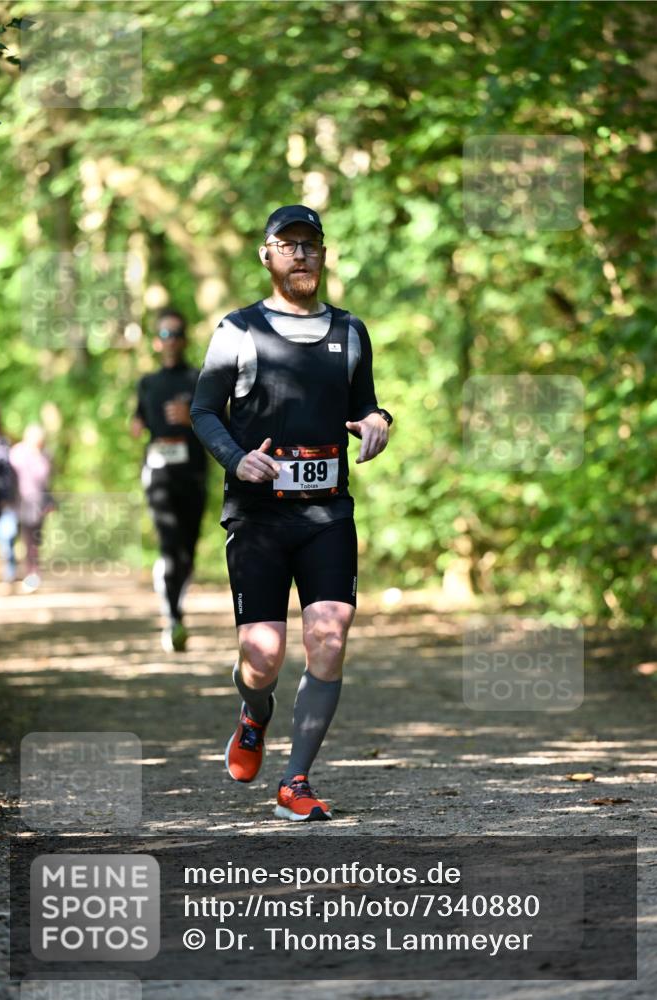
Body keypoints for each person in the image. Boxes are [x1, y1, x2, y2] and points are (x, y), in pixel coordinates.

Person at [191, 204, 392, 821]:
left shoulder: (350, 332)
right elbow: (204, 411)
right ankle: (254, 714)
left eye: (310, 244)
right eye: (288, 244)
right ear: (267, 255)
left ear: (323, 254)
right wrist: (235, 458)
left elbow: (368, 406)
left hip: (327, 514)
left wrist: (380, 423)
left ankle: (296, 780)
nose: (300, 254)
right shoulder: (238, 330)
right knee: (264, 656)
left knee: (328, 637)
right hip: (257, 518)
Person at [132, 307, 208, 652]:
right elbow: (139, 418)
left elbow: (220, 424)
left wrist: (191, 419)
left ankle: (176, 607)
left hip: (191, 473)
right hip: (158, 472)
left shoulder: (198, 378)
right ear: (155, 341)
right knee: (168, 542)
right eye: (165, 334)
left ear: (185, 339)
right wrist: (136, 426)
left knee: (187, 551)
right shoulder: (147, 382)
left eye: (177, 333)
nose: (171, 340)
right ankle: (173, 615)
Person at [9, 423, 53, 592]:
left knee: (35, 541)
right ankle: (24, 573)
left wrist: (50, 502)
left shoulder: (45, 455)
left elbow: (47, 482)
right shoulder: (17, 453)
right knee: (25, 539)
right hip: (20, 503)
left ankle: (33, 574)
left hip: (39, 504)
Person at [0, 405, 19, 585]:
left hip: (0, 500)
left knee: (6, 537)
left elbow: (9, 474)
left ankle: (9, 575)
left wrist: (8, 499)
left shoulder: (3, 444)